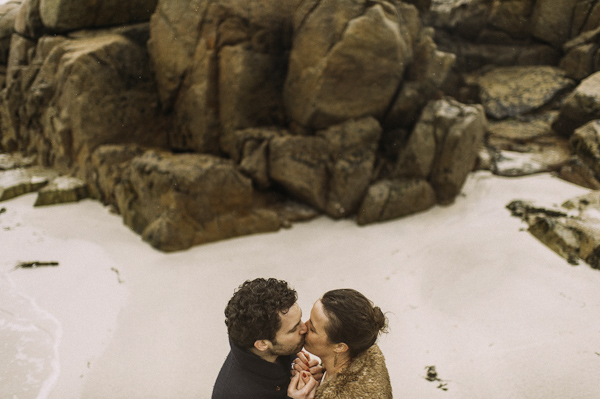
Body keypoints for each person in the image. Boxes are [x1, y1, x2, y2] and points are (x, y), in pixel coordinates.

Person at [212, 278, 320, 399]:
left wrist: (301, 369)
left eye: (299, 319)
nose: (304, 328)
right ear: (262, 344)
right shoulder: (233, 394)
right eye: (294, 329)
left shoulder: (270, 345)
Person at [288, 289, 392, 398]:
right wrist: (321, 376)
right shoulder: (358, 347)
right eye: (310, 319)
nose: (304, 327)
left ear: (340, 347)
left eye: (312, 329)